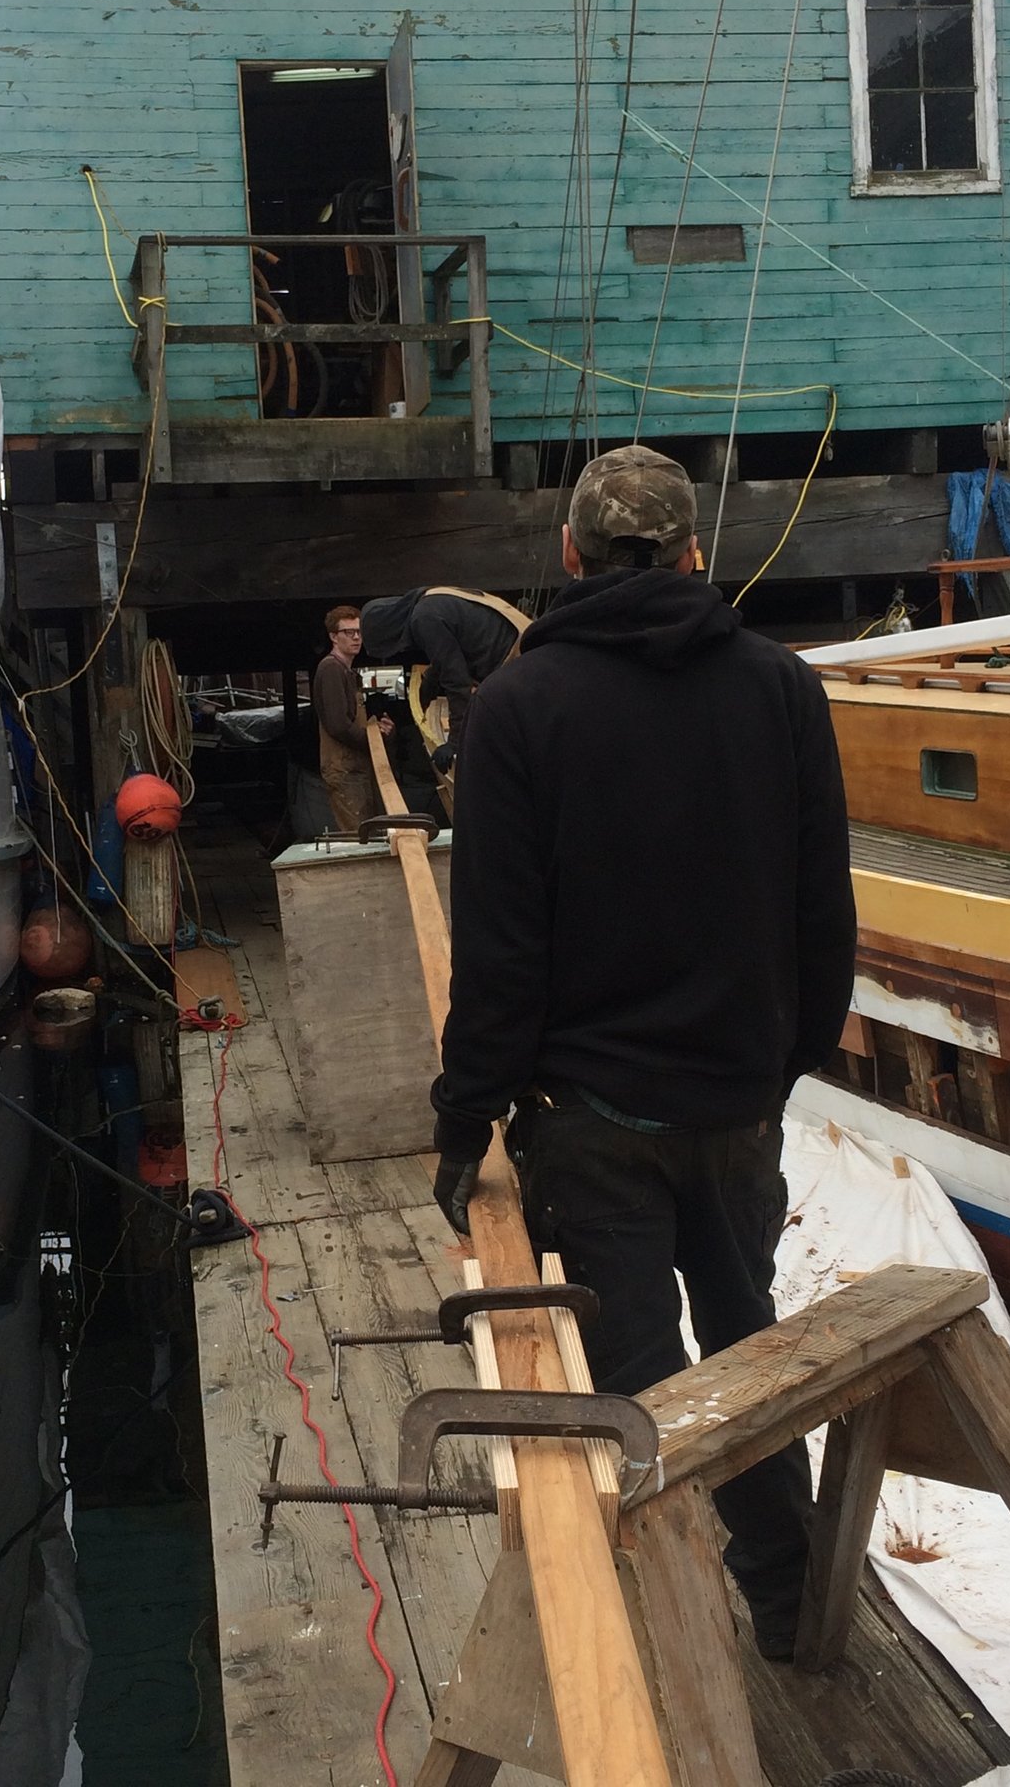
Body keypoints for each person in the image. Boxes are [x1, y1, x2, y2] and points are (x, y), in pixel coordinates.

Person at [428, 444, 857, 1662]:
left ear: (569, 554)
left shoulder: (518, 707)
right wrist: (781, 1067)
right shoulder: (782, 689)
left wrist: (466, 1120)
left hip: (592, 1119)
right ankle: (789, 1609)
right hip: (735, 1108)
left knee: (636, 1393)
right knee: (748, 1357)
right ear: (692, 553)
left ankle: (667, 1659)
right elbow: (823, 909)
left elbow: (500, 948)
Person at [359, 587, 528, 773]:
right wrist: (424, 693)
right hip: (523, 651)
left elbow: (456, 680)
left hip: (517, 664)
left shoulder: (424, 619)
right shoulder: (430, 600)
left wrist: (455, 743)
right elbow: (444, 661)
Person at [311, 604, 393, 833]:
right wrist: (372, 739)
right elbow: (338, 726)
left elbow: (350, 722)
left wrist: (379, 730)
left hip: (356, 768)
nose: (356, 637)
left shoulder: (347, 672)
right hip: (344, 770)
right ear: (333, 637)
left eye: (359, 631)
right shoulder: (331, 669)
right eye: (349, 632)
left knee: (369, 832)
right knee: (360, 836)